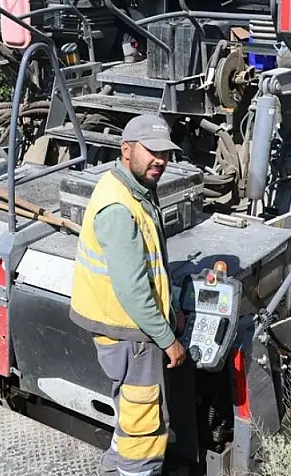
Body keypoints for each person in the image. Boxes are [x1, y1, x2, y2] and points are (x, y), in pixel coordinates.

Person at [70, 114, 188, 476]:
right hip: (130, 333)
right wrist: (169, 339)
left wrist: (172, 309)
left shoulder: (132, 188)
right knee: (144, 427)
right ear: (126, 150)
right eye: (152, 152)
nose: (160, 161)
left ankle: (112, 469)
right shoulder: (120, 208)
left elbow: (152, 267)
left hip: (129, 328)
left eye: (165, 154)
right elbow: (133, 289)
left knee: (131, 412)